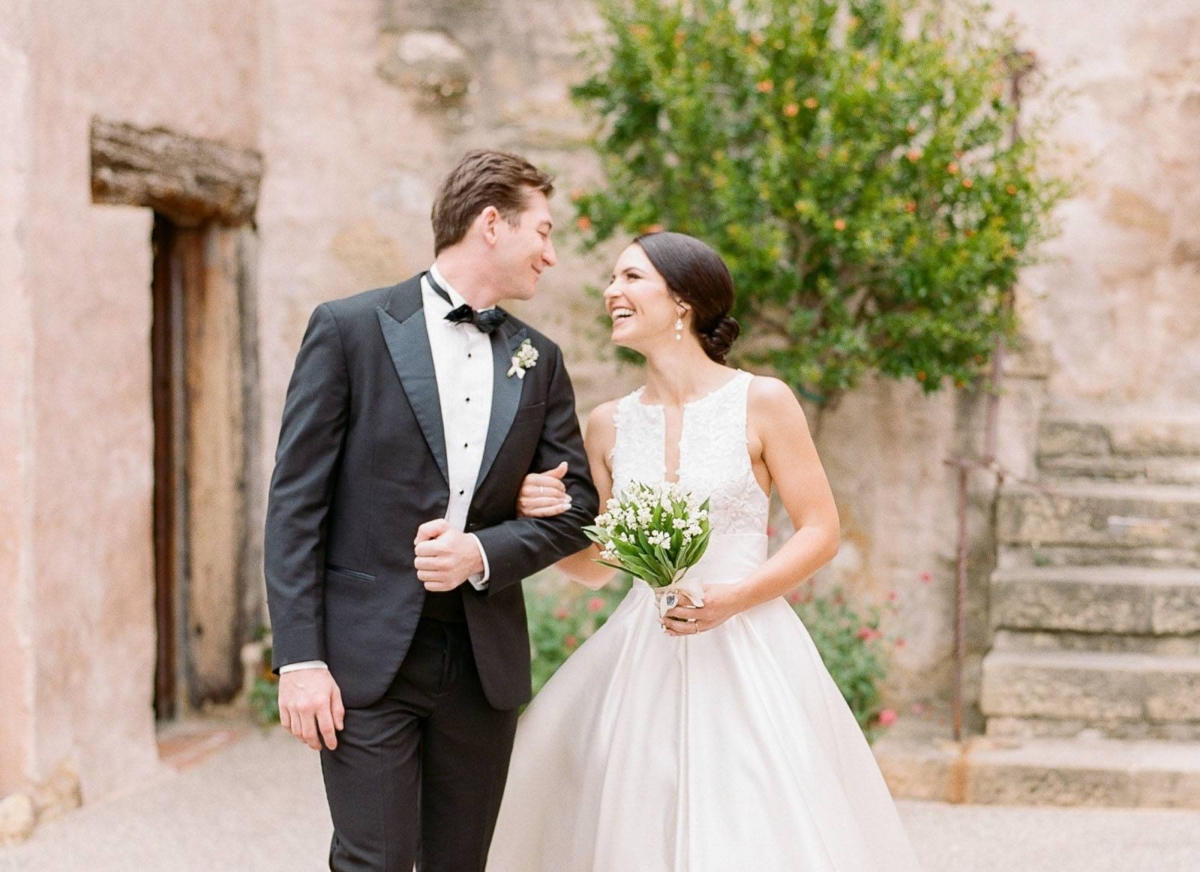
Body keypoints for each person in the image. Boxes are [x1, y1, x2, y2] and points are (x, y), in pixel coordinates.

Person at [488, 231, 921, 871]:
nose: (612, 292)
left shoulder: (764, 400)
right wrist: (544, 517)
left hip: (750, 642)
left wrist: (736, 597)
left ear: (683, 301)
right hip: (643, 650)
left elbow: (819, 529)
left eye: (631, 278)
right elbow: (591, 569)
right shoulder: (607, 423)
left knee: (753, 822)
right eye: (613, 280)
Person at [263, 150, 599, 872]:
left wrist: (484, 552)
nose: (551, 252)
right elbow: (295, 506)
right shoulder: (349, 329)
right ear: (490, 224)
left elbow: (575, 512)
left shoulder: (540, 360)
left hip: (482, 667)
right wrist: (298, 659)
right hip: (363, 659)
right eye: (542, 231)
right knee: (373, 861)